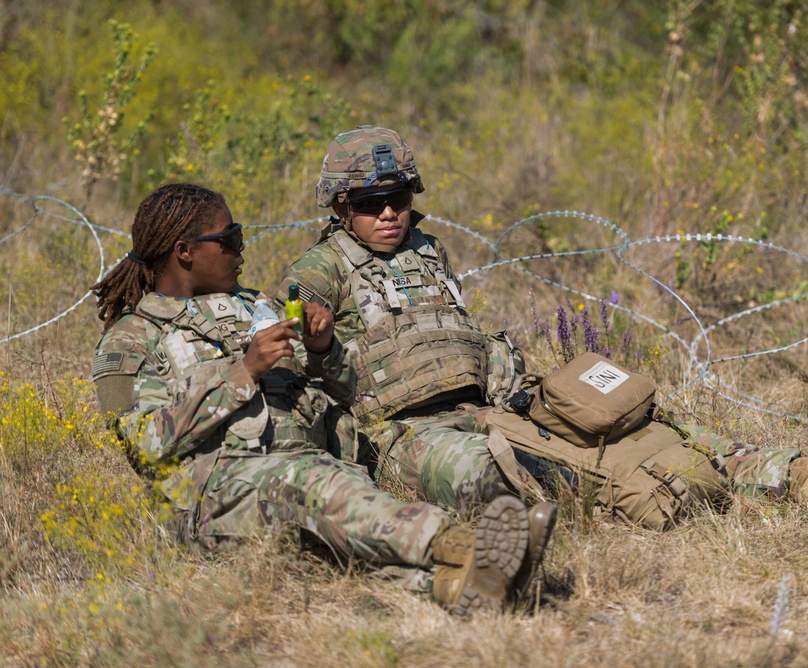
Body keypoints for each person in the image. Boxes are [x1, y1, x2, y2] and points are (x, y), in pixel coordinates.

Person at [277, 126, 808, 529]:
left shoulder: (428, 248)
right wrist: (321, 341)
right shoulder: (319, 270)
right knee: (486, 477)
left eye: (399, 198)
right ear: (339, 206)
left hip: (496, 399)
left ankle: (794, 472)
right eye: (368, 202)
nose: (388, 213)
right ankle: (629, 502)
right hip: (407, 429)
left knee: (626, 414)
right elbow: (297, 354)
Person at [89, 182, 554, 616]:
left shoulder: (258, 307)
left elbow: (348, 394)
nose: (241, 249)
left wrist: (323, 349)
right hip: (216, 493)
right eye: (228, 239)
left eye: (241, 236)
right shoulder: (132, 338)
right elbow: (144, 443)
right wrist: (242, 372)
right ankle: (464, 546)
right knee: (317, 490)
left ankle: (465, 587)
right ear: (184, 252)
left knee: (339, 547)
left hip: (308, 469)